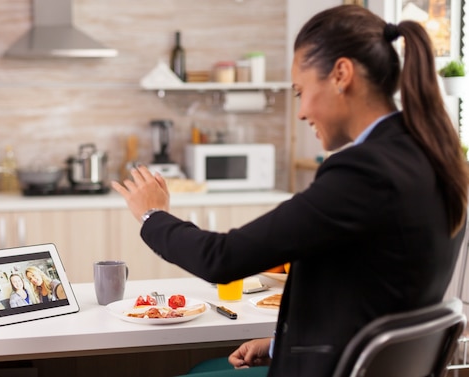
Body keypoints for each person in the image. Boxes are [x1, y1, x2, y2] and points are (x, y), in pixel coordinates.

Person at [111, 5, 469, 377]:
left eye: (300, 90)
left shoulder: (363, 172)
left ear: (341, 74)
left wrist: (154, 216)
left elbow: (223, 259)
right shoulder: (432, 158)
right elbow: (381, 297)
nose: (299, 111)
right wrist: (283, 345)